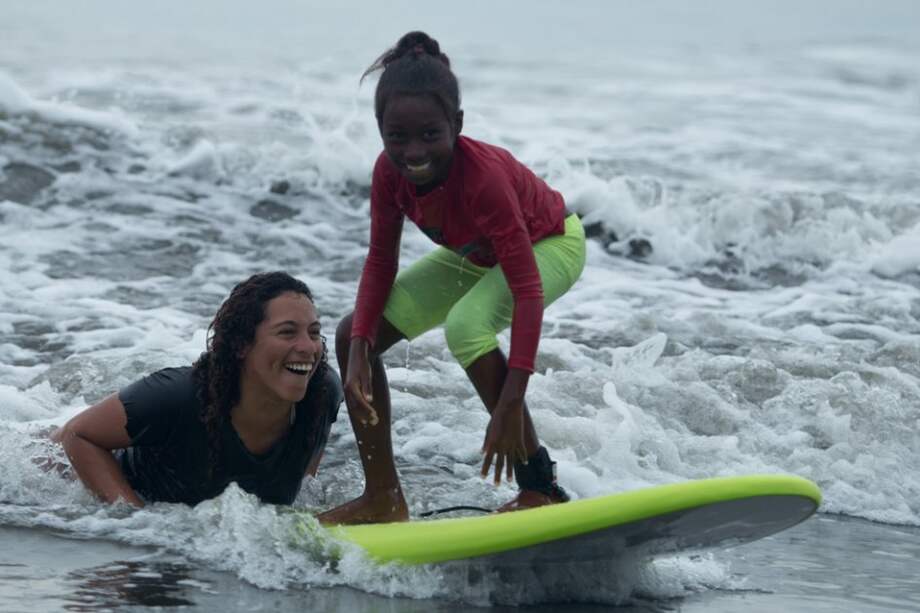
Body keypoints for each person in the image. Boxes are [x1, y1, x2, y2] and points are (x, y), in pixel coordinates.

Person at [318, 31, 586, 525]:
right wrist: (359, 347)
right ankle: (383, 496)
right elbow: (381, 261)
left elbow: (526, 290)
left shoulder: (483, 179)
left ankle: (539, 485)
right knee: (352, 330)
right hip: (479, 254)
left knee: (467, 326)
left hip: (551, 243)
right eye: (396, 137)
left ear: (456, 125)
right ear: (380, 130)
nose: (413, 151)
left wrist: (510, 404)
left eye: (429, 135)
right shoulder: (388, 173)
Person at [52, 271, 342, 506]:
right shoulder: (176, 396)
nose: (308, 347)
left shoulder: (321, 393)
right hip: (60, 477)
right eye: (287, 332)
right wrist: (134, 524)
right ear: (241, 344)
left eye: (314, 333)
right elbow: (77, 434)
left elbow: (301, 483)